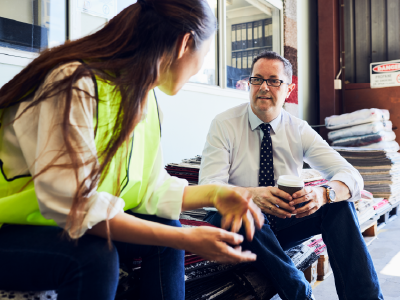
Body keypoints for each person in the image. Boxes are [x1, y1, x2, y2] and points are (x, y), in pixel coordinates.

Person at [0, 1, 264, 299]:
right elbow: (76, 206)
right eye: (205, 54)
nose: (201, 66)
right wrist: (186, 237)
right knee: (95, 256)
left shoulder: (145, 100)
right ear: (185, 43)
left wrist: (215, 194)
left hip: (53, 224)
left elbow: (151, 190)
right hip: (10, 228)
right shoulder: (73, 84)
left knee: (167, 231)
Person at [199, 51, 384, 300]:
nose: (264, 87)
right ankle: (300, 294)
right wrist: (251, 195)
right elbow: (207, 187)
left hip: (280, 224)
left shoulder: (298, 129)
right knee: (243, 210)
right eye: (257, 79)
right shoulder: (224, 124)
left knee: (339, 206)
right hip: (234, 225)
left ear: (289, 89)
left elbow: (352, 176)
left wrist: (324, 194)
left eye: (274, 80)